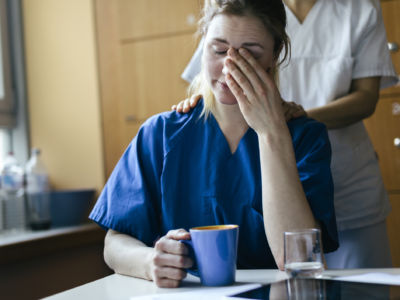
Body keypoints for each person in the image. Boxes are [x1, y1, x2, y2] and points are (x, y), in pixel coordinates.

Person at [89, 0, 338, 288]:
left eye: (250, 54)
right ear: (203, 45)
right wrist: (150, 261)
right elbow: (114, 243)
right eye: (218, 50)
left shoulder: (304, 138)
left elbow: (298, 259)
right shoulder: (160, 133)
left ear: (275, 54)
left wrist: (271, 134)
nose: (229, 66)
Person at [175, 0, 399, 269]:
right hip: (271, 179)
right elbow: (212, 69)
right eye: (222, 49)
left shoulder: (360, 9)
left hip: (347, 182)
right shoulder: (250, 6)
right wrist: (209, 100)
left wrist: (285, 120)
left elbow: (366, 98)